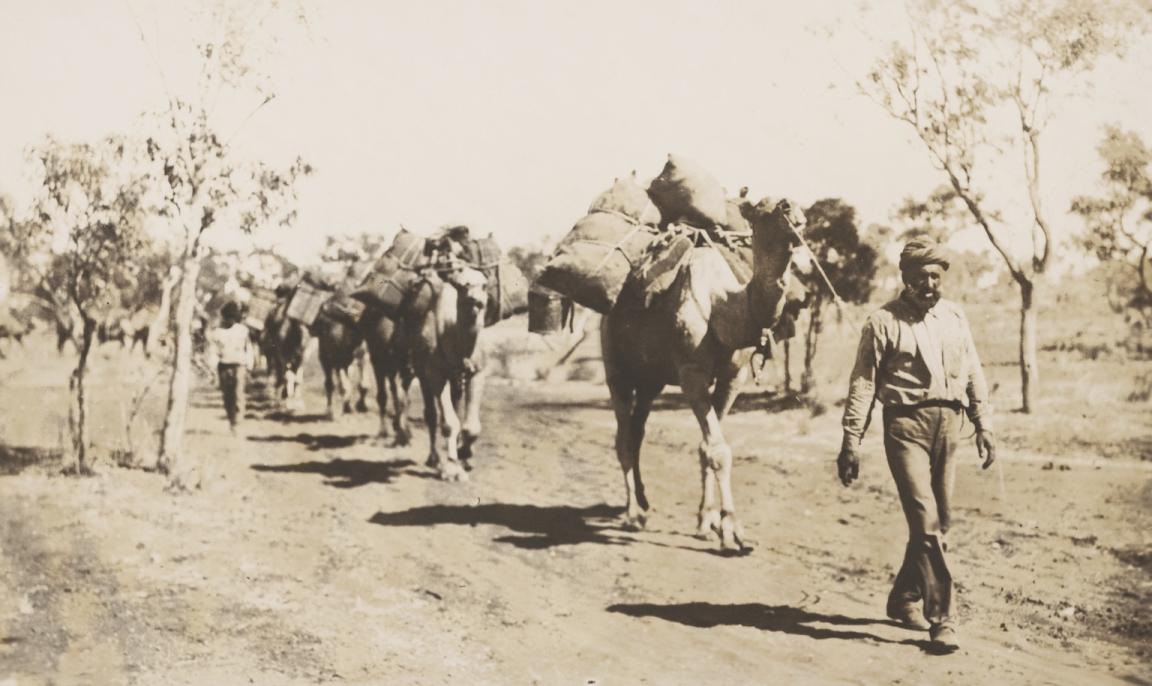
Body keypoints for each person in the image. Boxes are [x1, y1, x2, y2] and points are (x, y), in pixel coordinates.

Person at [837, 237, 996, 654]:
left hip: (949, 424)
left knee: (939, 522)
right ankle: (942, 618)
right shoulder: (883, 322)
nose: (929, 284)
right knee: (925, 519)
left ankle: (904, 596)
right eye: (921, 276)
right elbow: (863, 383)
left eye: (936, 276)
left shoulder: (955, 316)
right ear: (904, 278)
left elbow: (974, 369)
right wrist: (850, 439)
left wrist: (984, 423)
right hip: (905, 426)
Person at [208, 300, 255, 434]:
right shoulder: (217, 332)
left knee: (238, 394)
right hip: (223, 365)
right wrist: (212, 367)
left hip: (239, 365)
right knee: (227, 395)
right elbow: (213, 351)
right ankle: (231, 418)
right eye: (227, 318)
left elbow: (249, 348)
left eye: (232, 318)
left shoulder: (243, 331)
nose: (229, 321)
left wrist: (249, 364)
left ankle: (237, 423)